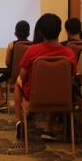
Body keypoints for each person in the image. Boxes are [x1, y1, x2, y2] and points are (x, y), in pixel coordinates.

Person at [13, 13, 76, 141]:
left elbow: (22, 77)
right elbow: (72, 78)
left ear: (40, 32)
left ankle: (19, 121)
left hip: (34, 96)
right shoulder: (69, 54)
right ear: (60, 30)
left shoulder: (32, 50)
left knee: (17, 83)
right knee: (58, 86)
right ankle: (49, 128)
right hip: (60, 98)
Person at [0, 20, 30, 111]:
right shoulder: (32, 45)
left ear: (15, 33)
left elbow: (7, 62)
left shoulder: (11, 45)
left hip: (12, 74)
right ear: (28, 33)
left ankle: (2, 101)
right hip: (27, 74)